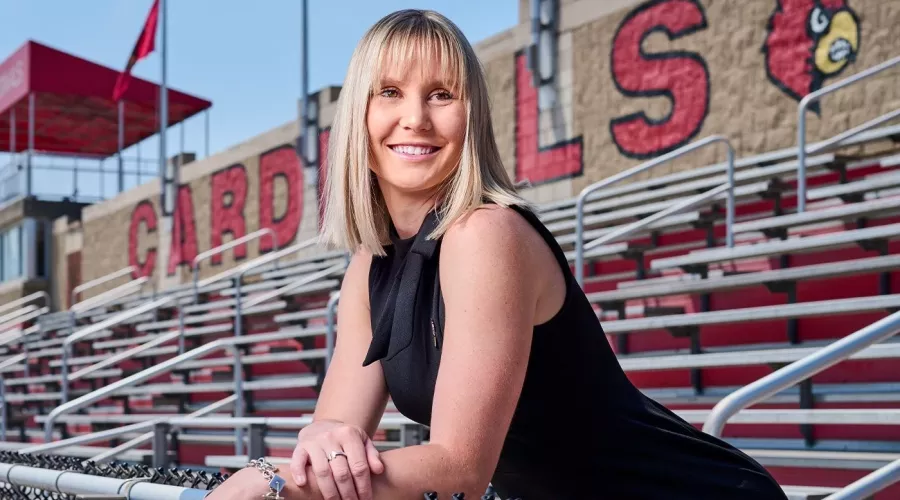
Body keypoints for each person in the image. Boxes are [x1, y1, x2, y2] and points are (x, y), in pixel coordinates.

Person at [206, 9, 790, 500]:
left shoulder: (485, 235)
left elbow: (461, 467)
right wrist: (314, 453)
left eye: (441, 94)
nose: (415, 117)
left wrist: (271, 480)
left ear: (471, 117)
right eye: (390, 92)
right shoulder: (370, 267)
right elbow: (334, 433)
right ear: (359, 114)